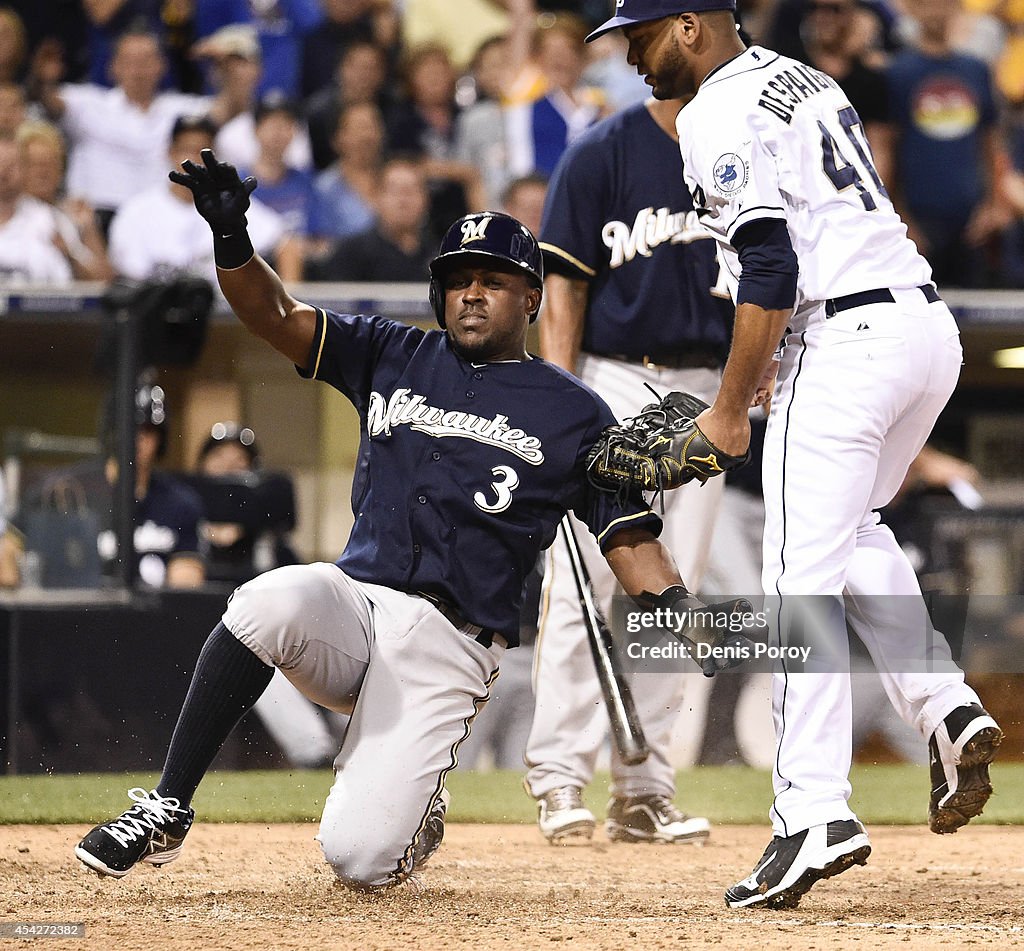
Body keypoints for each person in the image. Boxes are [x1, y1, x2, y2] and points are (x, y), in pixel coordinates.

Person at [73, 147, 745, 888]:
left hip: (449, 646)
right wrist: (233, 241)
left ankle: (416, 807)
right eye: (458, 280)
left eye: (493, 280)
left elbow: (628, 538)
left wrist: (678, 610)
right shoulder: (391, 352)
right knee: (266, 598)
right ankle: (168, 806)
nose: (471, 293)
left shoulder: (575, 411)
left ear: (532, 297)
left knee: (358, 859)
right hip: (357, 605)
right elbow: (276, 313)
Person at [587, 0, 1003, 910]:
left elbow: (770, 264)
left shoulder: (710, 111)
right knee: (854, 532)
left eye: (644, 37)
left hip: (845, 337)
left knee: (795, 589)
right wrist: (773, 363)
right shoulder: (801, 76)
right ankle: (943, 705)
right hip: (924, 329)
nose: (634, 58)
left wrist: (730, 408)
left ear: (691, 25)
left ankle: (811, 811)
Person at [522, 94, 732, 844]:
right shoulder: (602, 150)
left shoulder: (740, 142)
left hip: (711, 388)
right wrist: (560, 399)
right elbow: (563, 289)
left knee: (677, 591)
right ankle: (558, 776)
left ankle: (646, 787)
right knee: (583, 582)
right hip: (612, 379)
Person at [194, 422, 338, 770]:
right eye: (221, 458)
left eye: (239, 460)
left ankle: (356, 751)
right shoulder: (186, 526)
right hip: (202, 639)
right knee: (259, 664)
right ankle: (314, 754)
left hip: (272, 642)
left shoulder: (272, 545)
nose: (231, 467)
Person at [108, 114, 302, 284]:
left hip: (220, 318)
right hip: (156, 314)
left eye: (202, 152)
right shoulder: (137, 211)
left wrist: (284, 312)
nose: (194, 160)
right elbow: (124, 274)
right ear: (170, 153)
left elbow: (286, 244)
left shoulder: (228, 206)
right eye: (187, 150)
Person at [310, 156, 433, 282]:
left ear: (426, 199)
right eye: (394, 191)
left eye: (410, 191)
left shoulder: (439, 254)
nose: (403, 201)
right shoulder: (351, 254)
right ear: (377, 197)